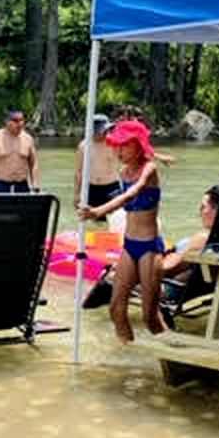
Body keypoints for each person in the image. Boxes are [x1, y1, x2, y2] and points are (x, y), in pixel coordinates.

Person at [78, 119, 165, 342]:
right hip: (130, 246)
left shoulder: (150, 169)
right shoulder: (124, 171)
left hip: (149, 248)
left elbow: (129, 195)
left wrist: (97, 212)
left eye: (124, 145)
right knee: (116, 310)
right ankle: (129, 357)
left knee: (149, 317)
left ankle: (177, 355)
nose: (118, 150)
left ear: (138, 145)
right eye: (116, 145)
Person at [0, 108, 39, 193]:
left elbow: (34, 164)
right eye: (16, 120)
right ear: (7, 121)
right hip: (0, 185)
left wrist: (35, 184)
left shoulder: (28, 139)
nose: (20, 124)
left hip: (22, 185)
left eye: (22, 120)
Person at [74, 114, 120, 215]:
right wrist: (77, 194)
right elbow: (78, 172)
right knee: (91, 219)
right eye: (101, 131)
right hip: (91, 188)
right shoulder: (84, 146)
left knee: (115, 218)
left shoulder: (114, 143)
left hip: (111, 188)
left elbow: (128, 161)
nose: (104, 133)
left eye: (106, 131)